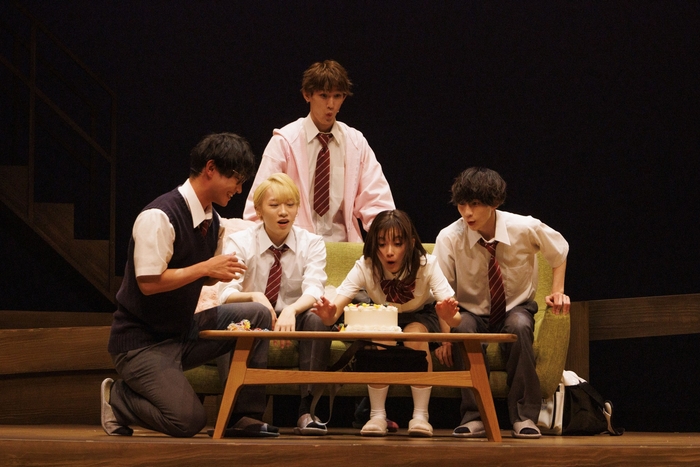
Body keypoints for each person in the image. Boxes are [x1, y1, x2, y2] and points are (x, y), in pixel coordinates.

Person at [102, 133, 278, 438]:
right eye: (236, 179)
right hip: (142, 342)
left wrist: (217, 274)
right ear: (210, 169)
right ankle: (118, 399)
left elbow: (195, 275)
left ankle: (241, 416)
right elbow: (148, 283)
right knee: (188, 421)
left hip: (181, 330)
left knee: (257, 315)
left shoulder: (212, 220)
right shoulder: (159, 216)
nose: (239, 189)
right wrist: (205, 268)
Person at [433, 167, 570, 439]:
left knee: (519, 326)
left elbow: (560, 250)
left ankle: (524, 416)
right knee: (463, 330)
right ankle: (474, 416)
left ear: (494, 203)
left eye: (475, 204)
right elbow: (442, 290)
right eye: (462, 205)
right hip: (470, 311)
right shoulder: (449, 237)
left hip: (515, 307)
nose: (467, 213)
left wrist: (558, 291)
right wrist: (445, 337)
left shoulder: (524, 227)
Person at [312, 210, 460, 437]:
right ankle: (377, 415)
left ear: (410, 243)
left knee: (415, 335)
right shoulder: (366, 265)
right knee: (382, 336)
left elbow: (453, 315)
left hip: (420, 315)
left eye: (397, 244)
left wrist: (448, 326)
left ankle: (421, 416)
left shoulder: (426, 264)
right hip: (384, 315)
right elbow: (333, 314)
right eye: (382, 244)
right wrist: (327, 315)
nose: (389, 251)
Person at [218, 173, 331, 436]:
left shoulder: (312, 243)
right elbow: (226, 293)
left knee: (317, 318)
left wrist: (291, 310)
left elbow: (314, 288)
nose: (283, 212)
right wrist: (255, 298)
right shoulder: (240, 242)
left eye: (290, 204)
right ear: (258, 210)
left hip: (295, 314)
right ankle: (246, 416)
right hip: (252, 315)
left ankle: (308, 411)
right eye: (274, 205)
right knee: (253, 312)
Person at [242, 59, 394, 242]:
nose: (331, 104)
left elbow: (377, 201)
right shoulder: (285, 142)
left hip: (343, 245)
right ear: (307, 95)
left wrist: (390, 239)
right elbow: (258, 206)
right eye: (323, 95)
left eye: (337, 96)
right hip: (295, 246)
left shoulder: (356, 143)